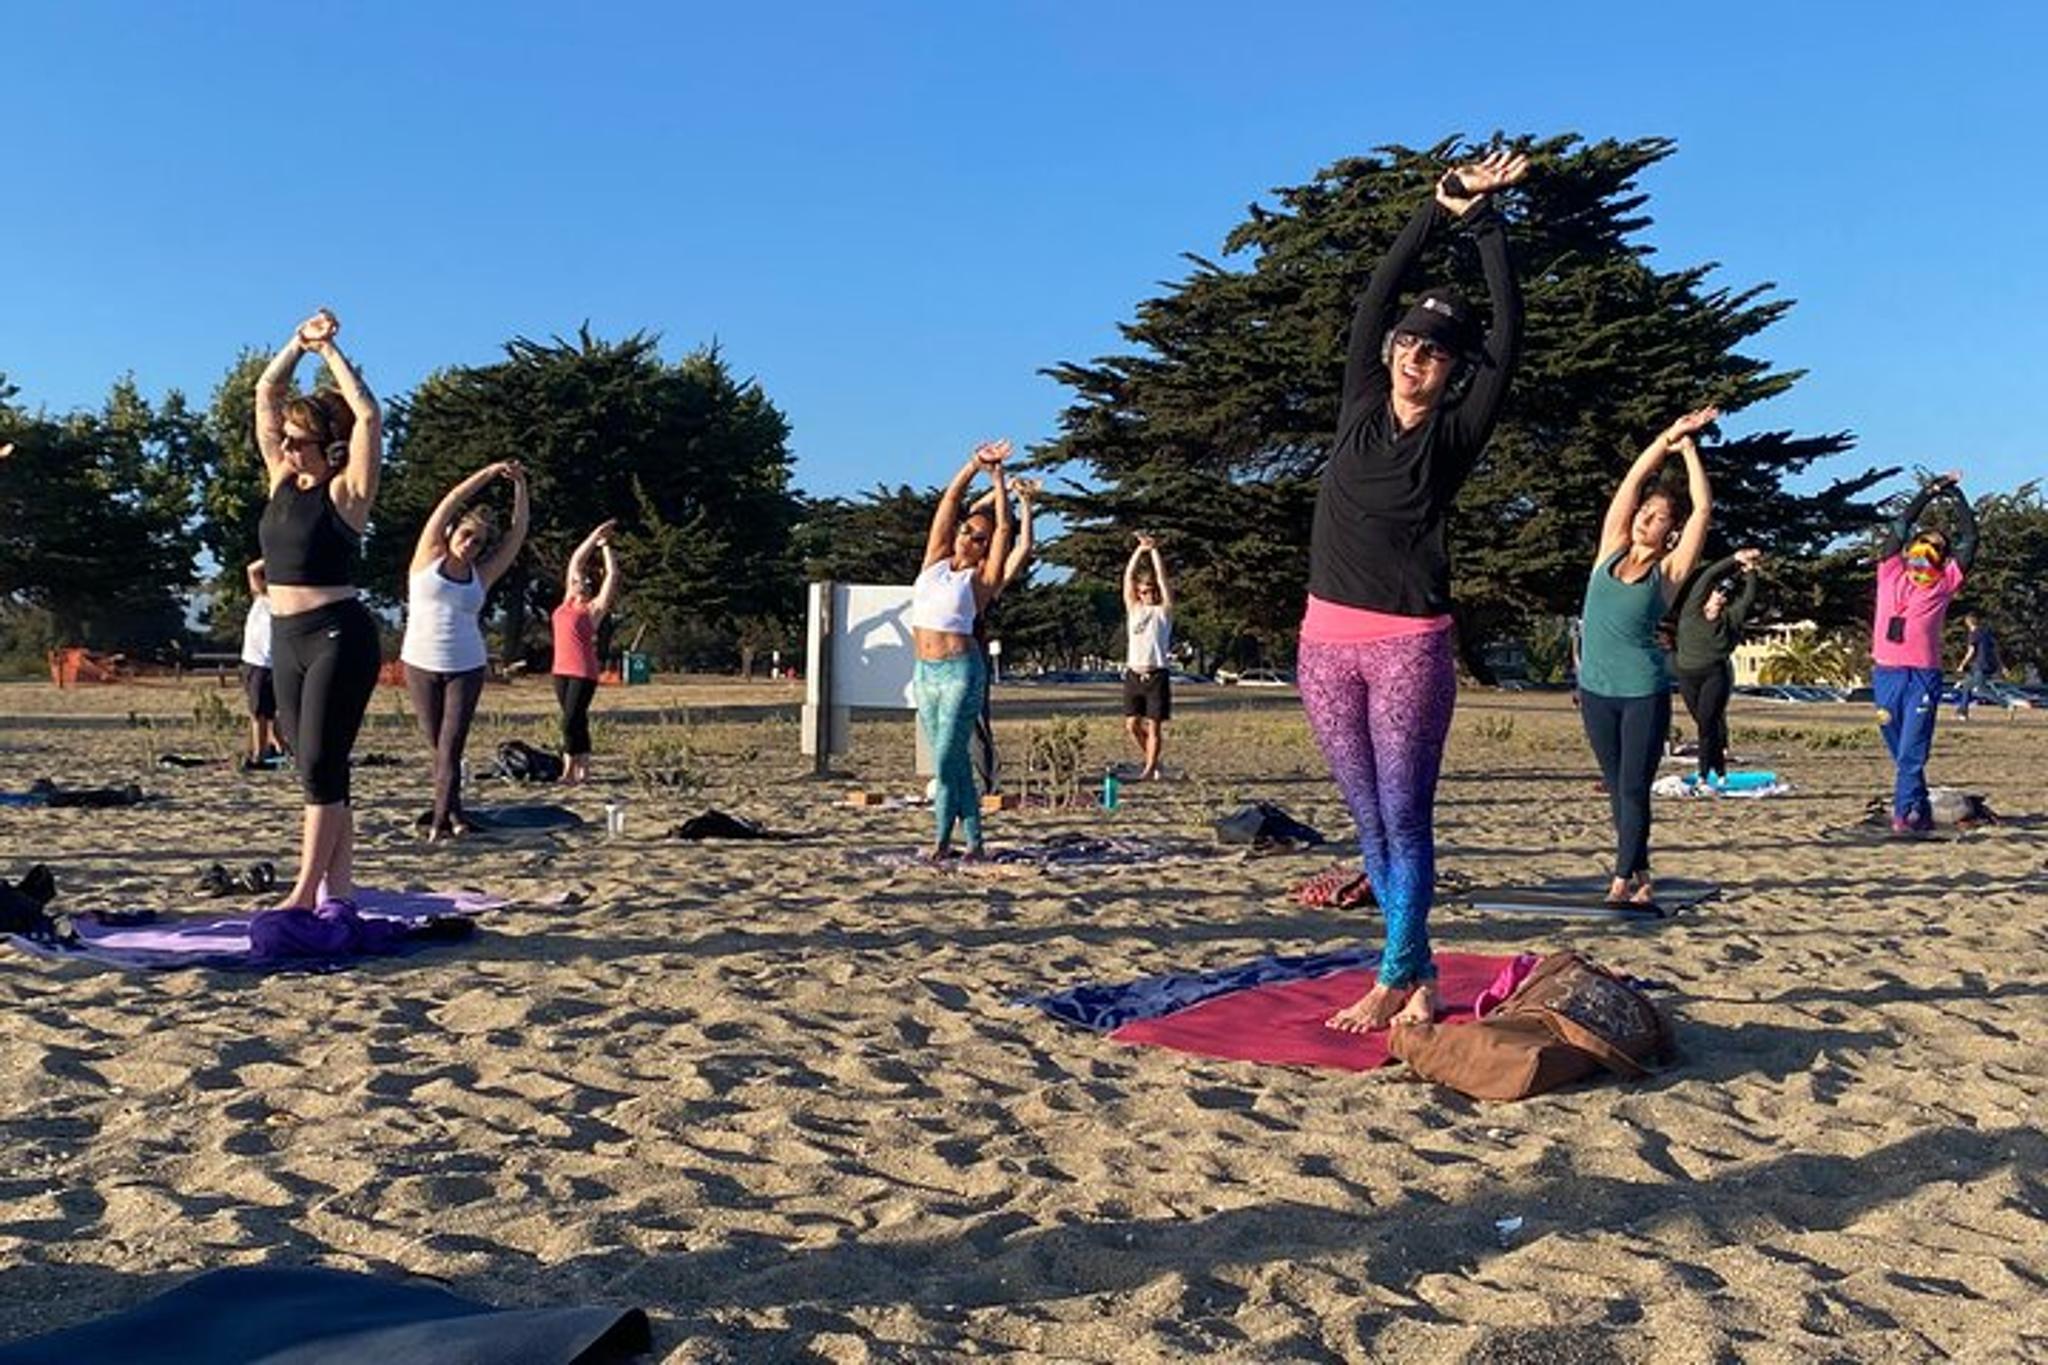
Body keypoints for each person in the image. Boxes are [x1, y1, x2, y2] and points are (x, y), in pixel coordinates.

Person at [1299, 148, 1529, 1035]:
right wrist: (1438, 208)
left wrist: (1487, 225)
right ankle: (1422, 969)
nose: (1415, 358)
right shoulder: (1361, 401)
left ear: (1451, 370)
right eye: (1408, 344)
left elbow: (1508, 337)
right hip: (1323, 645)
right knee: (1367, 821)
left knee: (1404, 815)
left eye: (1435, 353)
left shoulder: (1454, 434)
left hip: (1407, 647)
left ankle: (1394, 974)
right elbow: (1375, 298)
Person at [253, 309, 384, 910]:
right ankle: (341, 887)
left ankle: (305, 891)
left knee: (319, 763)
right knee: (315, 765)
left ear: (329, 448)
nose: (285, 447)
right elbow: (267, 392)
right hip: (285, 637)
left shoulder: (347, 493)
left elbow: (368, 416)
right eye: (284, 439)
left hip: (338, 635)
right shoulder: (281, 479)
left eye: (298, 442)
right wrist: (298, 343)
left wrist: (331, 354)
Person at [1579, 408, 1718, 906]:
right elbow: (1633, 481)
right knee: (1616, 787)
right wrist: (1667, 438)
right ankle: (1641, 877)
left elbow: (1702, 512)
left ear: (1670, 533)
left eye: (1659, 518)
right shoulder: (1610, 549)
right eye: (1646, 512)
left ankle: (1621, 880)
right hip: (1595, 692)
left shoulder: (1669, 572)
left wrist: (1691, 452)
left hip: (1642, 693)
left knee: (1635, 789)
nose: (1646, 519)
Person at [399, 460, 530, 838]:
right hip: (420, 663)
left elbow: (517, 535)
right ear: (453, 531)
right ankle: (454, 814)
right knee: (437, 745)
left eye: (478, 542)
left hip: (466, 665)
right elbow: (451, 500)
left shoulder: (481, 575)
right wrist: (489, 474)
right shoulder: (427, 557)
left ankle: (441, 819)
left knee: (451, 745)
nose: (470, 544)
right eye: (467, 535)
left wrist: (520, 487)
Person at [910, 440, 1014, 860]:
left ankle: (941, 841)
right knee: (952, 763)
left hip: (959, 671)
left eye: (978, 536)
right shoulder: (935, 561)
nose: (968, 537)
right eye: (966, 530)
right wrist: (973, 465)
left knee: (945, 758)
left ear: (985, 547)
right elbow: (949, 501)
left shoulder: (981, 579)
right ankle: (973, 843)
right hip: (924, 672)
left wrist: (1000, 481)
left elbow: (1005, 530)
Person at [1871, 472, 1975, 829]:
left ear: (1942, 558)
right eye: (1923, 544)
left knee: (1912, 751)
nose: (1927, 551)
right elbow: (1900, 526)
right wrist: (1931, 492)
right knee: (1900, 749)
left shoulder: (1945, 583)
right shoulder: (1890, 572)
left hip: (1922, 675)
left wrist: (1957, 496)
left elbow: (1970, 539)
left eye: (1936, 548)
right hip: (1886, 673)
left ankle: (1905, 815)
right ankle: (1920, 809)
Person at [1669, 547, 1763, 785]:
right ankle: (1719, 769)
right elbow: (1707, 576)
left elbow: (1748, 599)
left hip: (1714, 674)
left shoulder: (1729, 619)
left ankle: (1705, 774)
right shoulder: (1691, 611)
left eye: (1726, 594)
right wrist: (1735, 559)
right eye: (1719, 591)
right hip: (1687, 674)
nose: (1721, 596)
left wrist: (1751, 573)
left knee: (1707, 722)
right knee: (1704, 724)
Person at [968, 476, 1037, 796]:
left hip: (972, 651)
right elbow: (973, 510)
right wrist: (1004, 488)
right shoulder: (954, 564)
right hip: (943, 654)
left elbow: (1023, 547)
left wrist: (1024, 503)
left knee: (976, 721)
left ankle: (986, 784)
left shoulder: (990, 578)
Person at [552, 519, 619, 786]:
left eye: (583, 582)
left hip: (583, 671)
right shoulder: (565, 603)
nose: (578, 583)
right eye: (575, 581)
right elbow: (577, 560)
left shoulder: (593, 610)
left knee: (570, 720)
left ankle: (571, 770)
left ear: (589, 589)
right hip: (560, 670)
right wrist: (595, 535)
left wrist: (606, 547)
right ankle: (582, 769)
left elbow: (612, 576)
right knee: (576, 720)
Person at [1121, 534, 1175, 781]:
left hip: (1156, 674)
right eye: (1142, 592)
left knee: (1154, 725)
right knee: (1132, 724)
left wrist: (1154, 552)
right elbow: (1128, 578)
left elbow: (1163, 579)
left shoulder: (1163, 612)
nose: (1147, 595)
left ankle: (1149, 769)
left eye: (1151, 591)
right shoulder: (1134, 609)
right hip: (1134, 673)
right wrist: (1139, 551)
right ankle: (1153, 760)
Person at [239, 560, 280, 767]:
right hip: (256, 661)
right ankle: (262, 753)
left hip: (275, 663)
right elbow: (252, 570)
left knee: (270, 713)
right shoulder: (261, 597)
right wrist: (276, 553)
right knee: (259, 712)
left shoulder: (286, 604)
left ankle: (266, 752)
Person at [1955, 611, 2000, 721]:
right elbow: (1995, 650)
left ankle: (2006, 703)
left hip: (1980, 665)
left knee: (1981, 689)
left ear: (1968, 622)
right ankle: (1962, 711)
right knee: (1967, 686)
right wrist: (2000, 665)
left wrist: (1962, 665)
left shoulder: (1973, 634)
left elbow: (1971, 651)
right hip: (1987, 665)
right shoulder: (1986, 633)